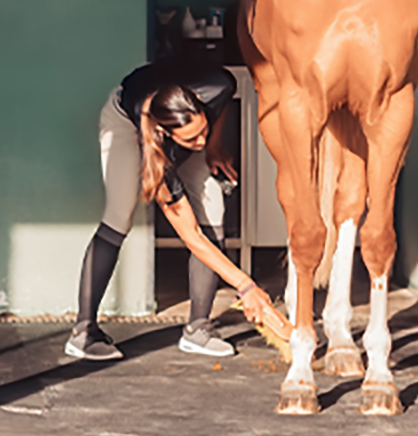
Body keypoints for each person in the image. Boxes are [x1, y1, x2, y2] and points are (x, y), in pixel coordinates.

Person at [64, 58, 278, 360]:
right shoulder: (156, 153)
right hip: (125, 122)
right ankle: (83, 332)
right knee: (119, 216)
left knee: (213, 207)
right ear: (167, 134)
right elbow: (190, 236)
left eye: (204, 129)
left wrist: (213, 145)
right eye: (193, 138)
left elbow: (221, 104)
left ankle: (199, 329)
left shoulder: (216, 87)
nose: (200, 141)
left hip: (175, 117)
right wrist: (246, 286)